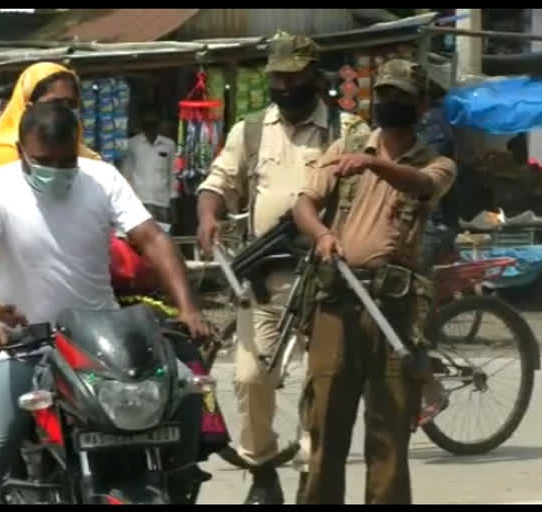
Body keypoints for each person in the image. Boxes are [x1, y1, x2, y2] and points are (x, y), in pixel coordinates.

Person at [0, 101, 211, 504]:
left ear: (78, 148)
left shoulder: (101, 178)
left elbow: (153, 240)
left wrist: (188, 308)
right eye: (43, 160)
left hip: (101, 346)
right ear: (21, 150)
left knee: (187, 395)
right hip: (25, 346)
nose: (55, 169)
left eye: (65, 159)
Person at [292, 59, 456, 504]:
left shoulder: (436, 163)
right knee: (326, 425)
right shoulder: (346, 147)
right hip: (336, 300)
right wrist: (323, 234)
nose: (389, 104)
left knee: (388, 433)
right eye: (383, 95)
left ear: (420, 106)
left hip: (394, 310)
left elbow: (421, 184)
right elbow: (304, 204)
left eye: (400, 98)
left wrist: (371, 164)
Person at [196, 31, 339, 504]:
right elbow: (219, 182)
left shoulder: (349, 131)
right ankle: (261, 470)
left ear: (314, 77)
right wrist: (209, 215)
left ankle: (311, 477)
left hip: (325, 281)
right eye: (276, 76)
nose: (283, 85)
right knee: (249, 378)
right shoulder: (251, 130)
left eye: (292, 76)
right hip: (266, 278)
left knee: (320, 384)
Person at [121, 110, 178, 226]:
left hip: (161, 202)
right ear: (142, 123)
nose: (151, 126)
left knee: (162, 237)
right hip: (139, 201)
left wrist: (173, 201)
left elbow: (172, 174)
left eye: (154, 123)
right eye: (148, 123)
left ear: (159, 123)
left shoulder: (169, 145)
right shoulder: (132, 144)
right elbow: (126, 174)